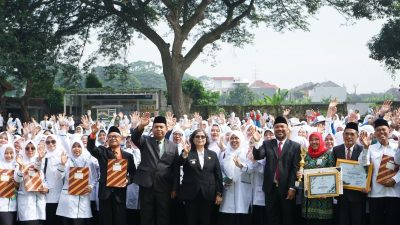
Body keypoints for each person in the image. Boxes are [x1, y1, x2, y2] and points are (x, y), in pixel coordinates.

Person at [130, 114, 179, 225]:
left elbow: (175, 169)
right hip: (147, 185)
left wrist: (174, 188)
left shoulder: (173, 146)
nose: (159, 129)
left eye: (161, 127)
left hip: (165, 186)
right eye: (156, 127)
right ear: (152, 129)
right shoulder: (145, 141)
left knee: (164, 215)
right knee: (147, 216)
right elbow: (134, 137)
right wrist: (141, 126)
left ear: (167, 129)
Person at [252, 116, 300, 225]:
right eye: (277, 127)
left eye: (282, 127)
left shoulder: (295, 146)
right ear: (274, 129)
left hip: (287, 189)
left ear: (287, 129)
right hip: (271, 189)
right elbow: (258, 156)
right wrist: (256, 142)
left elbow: (295, 168)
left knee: (287, 218)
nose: (279, 129)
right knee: (272, 218)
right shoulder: (267, 144)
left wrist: (292, 187)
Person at [87, 125, 136, 225]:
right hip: (105, 194)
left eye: (115, 136)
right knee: (105, 220)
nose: (113, 138)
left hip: (120, 194)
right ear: (107, 139)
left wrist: (128, 180)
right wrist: (93, 134)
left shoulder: (128, 156)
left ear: (121, 139)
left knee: (120, 220)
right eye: (110, 136)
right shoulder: (102, 151)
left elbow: (133, 174)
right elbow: (91, 148)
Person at [358, 119, 400, 225]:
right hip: (376, 194)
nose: (381, 132)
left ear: (389, 130)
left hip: (394, 193)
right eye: (378, 130)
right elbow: (363, 164)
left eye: (383, 129)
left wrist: (395, 180)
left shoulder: (397, 147)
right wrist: (366, 148)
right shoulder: (370, 148)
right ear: (375, 133)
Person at [178, 129, 223, 225]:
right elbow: (179, 163)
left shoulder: (213, 154)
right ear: (193, 139)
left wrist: (219, 193)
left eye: (202, 137)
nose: (200, 138)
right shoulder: (187, 152)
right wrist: (185, 154)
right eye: (197, 136)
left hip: (208, 193)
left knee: (206, 220)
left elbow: (218, 174)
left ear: (206, 139)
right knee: (191, 220)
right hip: (190, 193)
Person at [332, 122, 366, 225]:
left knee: (357, 221)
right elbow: (334, 169)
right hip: (342, 195)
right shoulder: (336, 150)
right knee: (342, 221)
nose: (349, 137)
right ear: (343, 135)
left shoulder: (362, 150)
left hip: (358, 195)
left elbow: (367, 169)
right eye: (346, 134)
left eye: (352, 134)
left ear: (357, 135)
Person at [56, 140, 96, 225]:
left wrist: (91, 186)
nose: (76, 149)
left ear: (82, 148)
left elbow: (94, 178)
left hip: (83, 198)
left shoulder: (88, 161)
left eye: (79, 146)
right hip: (68, 199)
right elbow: (58, 177)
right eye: (74, 146)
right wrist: (62, 164)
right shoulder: (66, 161)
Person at [301, 132, 335, 225]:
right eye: (311, 140)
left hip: (324, 197)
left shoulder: (328, 154)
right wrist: (300, 174)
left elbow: (332, 173)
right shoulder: (305, 155)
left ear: (321, 140)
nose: (314, 142)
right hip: (309, 197)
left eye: (316, 139)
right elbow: (302, 171)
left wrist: (328, 191)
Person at [14, 140, 48, 225]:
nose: (30, 150)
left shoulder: (39, 162)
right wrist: (21, 167)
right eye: (27, 148)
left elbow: (40, 171)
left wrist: (46, 189)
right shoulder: (19, 163)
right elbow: (17, 180)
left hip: (39, 203)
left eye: (33, 148)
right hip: (27, 204)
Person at [0, 144, 17, 225]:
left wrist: (16, 181)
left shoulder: (17, 165)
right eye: (6, 153)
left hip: (15, 205)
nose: (9, 155)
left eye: (11, 153)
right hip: (2, 205)